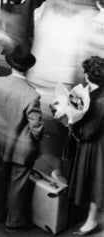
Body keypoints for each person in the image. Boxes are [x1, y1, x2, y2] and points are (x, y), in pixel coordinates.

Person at [0, 46, 44, 233]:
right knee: (18, 185)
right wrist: (37, 139)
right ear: (28, 68)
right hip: (21, 147)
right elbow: (36, 128)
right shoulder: (32, 94)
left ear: (11, 64)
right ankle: (14, 222)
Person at [60, 56, 104, 236]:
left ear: (87, 74)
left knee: (95, 182)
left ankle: (91, 221)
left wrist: (70, 122)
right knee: (91, 179)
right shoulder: (92, 90)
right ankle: (86, 215)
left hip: (96, 146)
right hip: (93, 142)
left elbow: (90, 132)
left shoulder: (100, 100)